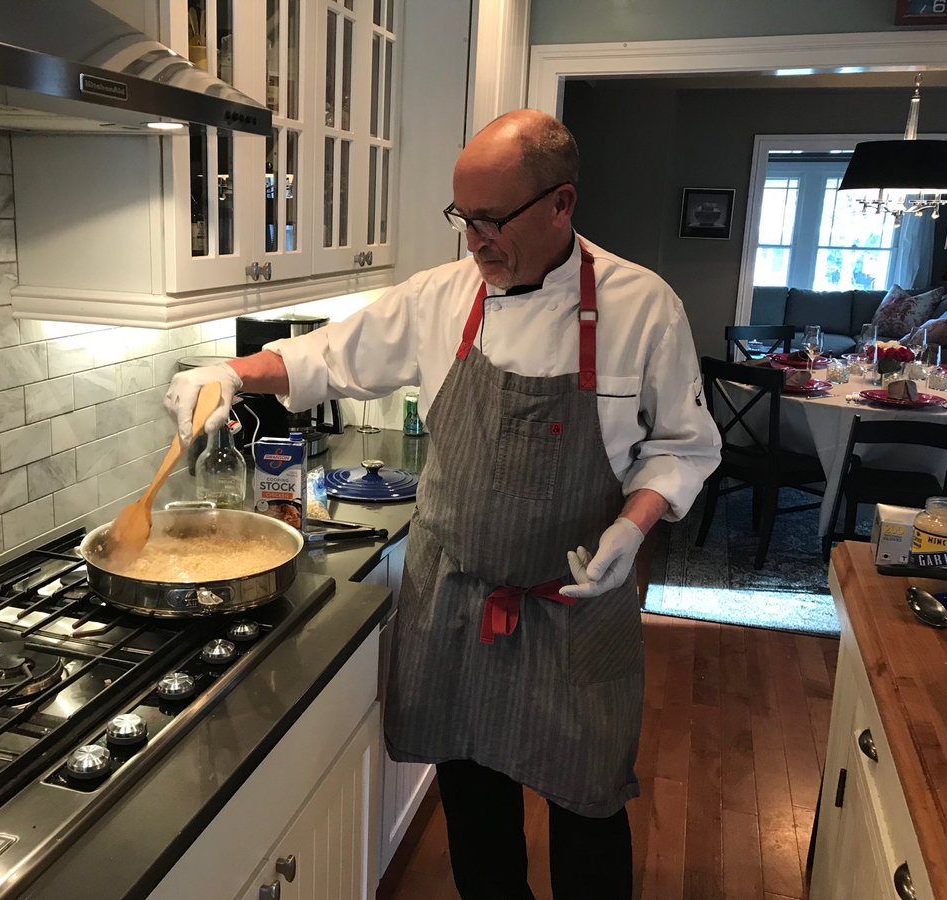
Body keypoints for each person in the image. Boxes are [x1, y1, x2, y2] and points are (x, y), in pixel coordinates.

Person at [165, 109, 721, 900]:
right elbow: (324, 356)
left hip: (576, 605)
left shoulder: (642, 305)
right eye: (464, 217)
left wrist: (633, 531)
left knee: (589, 809)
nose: (475, 241)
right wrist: (229, 373)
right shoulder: (441, 296)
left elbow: (683, 446)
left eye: (493, 220)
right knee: (473, 807)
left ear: (560, 204)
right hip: (456, 602)